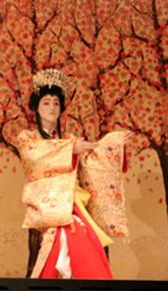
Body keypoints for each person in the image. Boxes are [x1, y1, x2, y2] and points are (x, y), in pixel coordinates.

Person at [17, 69, 130, 279]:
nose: (52, 107)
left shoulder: (69, 138)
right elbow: (33, 157)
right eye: (46, 103)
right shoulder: (28, 137)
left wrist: (112, 144)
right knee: (65, 240)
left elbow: (89, 161)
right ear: (37, 107)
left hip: (72, 202)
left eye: (56, 103)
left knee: (85, 239)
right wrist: (70, 149)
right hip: (48, 204)